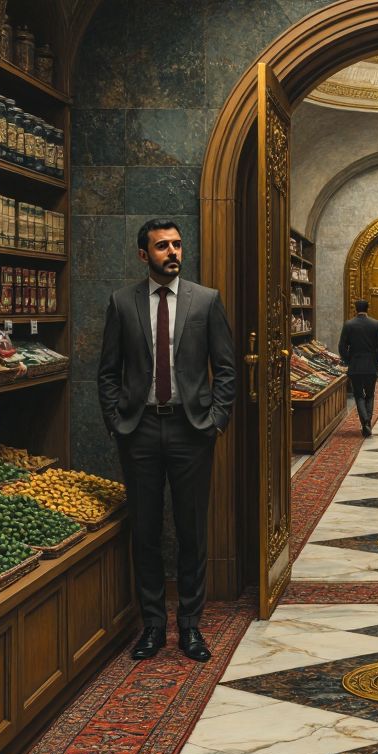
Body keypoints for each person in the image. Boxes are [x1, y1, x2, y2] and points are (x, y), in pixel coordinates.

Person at [98, 218, 236, 663]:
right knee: (146, 531)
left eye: (177, 245)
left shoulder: (205, 301)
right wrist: (117, 422)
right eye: (162, 246)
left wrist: (215, 419)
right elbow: (107, 372)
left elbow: (226, 367)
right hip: (138, 431)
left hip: (191, 430)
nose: (172, 252)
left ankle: (191, 627)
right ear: (144, 255)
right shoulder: (122, 303)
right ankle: (153, 625)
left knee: (193, 531)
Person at [339, 299, 378, 436]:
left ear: (355, 309)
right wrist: (377, 364)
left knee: (359, 395)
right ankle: (367, 422)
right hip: (371, 366)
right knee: (370, 394)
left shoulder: (349, 324)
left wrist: (349, 360)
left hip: (355, 366)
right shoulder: (375, 324)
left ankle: (365, 421)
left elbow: (342, 346)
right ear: (368, 309)